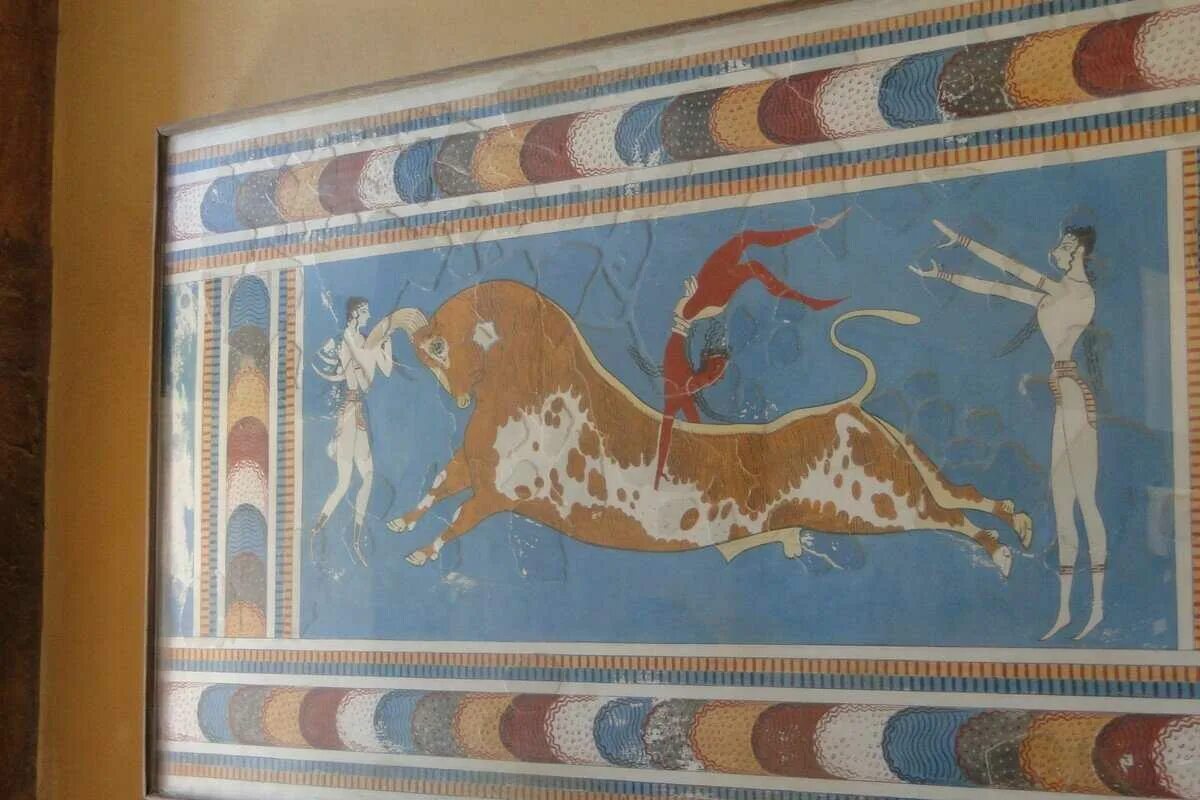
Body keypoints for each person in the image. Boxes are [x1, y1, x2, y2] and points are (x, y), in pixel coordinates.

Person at [910, 220, 1108, 640]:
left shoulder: (1076, 293)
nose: (1057, 249)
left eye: (1065, 244)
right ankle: (1065, 610)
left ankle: (1098, 608)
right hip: (1062, 397)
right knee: (1063, 503)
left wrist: (963, 241)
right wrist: (945, 276)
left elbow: (1012, 269)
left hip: (1075, 397)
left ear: (1080, 251)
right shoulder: (1052, 295)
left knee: (1086, 502)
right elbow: (999, 288)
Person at [653, 210, 849, 489]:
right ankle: (814, 254)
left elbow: (678, 415)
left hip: (701, 303)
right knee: (750, 255)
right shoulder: (682, 385)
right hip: (700, 309)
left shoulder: (680, 378)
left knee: (748, 248)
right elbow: (681, 418)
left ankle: (815, 238)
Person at [309, 297, 395, 566]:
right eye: (365, 311)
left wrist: (386, 343)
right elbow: (362, 382)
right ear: (355, 313)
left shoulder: (367, 340)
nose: (369, 315)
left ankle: (356, 538)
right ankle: (316, 530)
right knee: (344, 483)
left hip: (360, 414)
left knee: (368, 476)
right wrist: (366, 357)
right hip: (348, 413)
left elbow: (387, 369)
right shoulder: (345, 340)